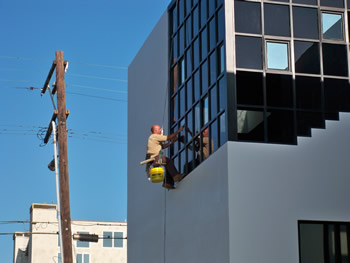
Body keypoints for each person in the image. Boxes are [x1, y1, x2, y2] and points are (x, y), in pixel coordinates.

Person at [146, 125, 185, 189]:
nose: (161, 130)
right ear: (155, 131)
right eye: (159, 129)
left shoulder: (152, 138)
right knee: (168, 161)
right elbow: (169, 137)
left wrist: (171, 143)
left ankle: (167, 183)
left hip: (154, 159)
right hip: (156, 158)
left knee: (167, 164)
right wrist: (178, 131)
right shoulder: (154, 136)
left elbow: (163, 146)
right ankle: (176, 176)